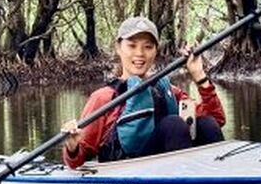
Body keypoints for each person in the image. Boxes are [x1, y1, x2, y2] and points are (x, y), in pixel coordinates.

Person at [61, 16, 225, 168]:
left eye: (148, 47)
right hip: (127, 172)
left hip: (169, 171)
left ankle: (217, 178)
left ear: (155, 50)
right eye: (132, 46)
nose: (140, 53)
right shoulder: (104, 97)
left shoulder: (168, 91)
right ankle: (187, 183)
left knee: (207, 124)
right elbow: (77, 160)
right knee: (173, 125)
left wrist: (199, 75)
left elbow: (216, 120)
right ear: (118, 48)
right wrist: (72, 146)